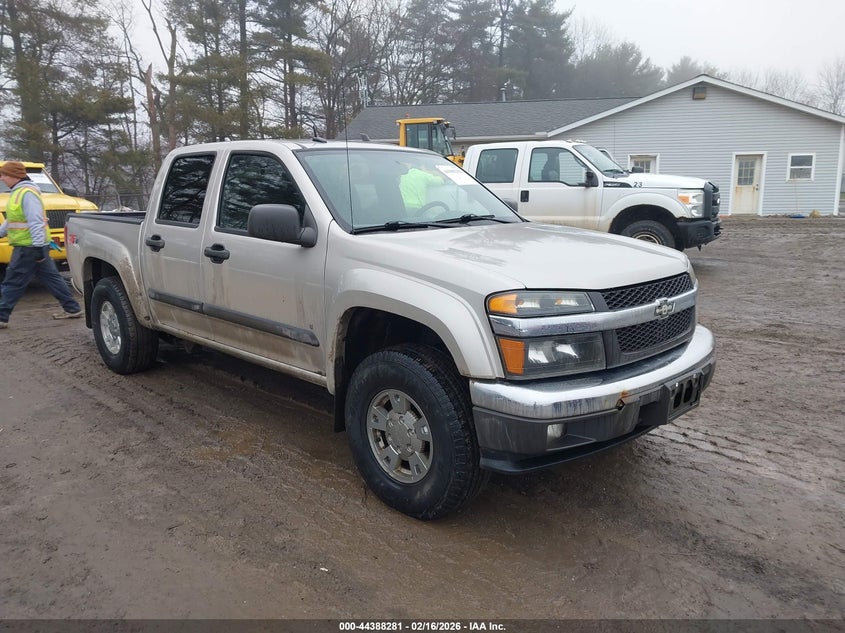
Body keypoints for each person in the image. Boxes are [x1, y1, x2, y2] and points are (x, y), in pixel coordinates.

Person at [0, 161, 82, 328]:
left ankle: (1, 316)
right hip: (34, 246)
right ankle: (72, 309)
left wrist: (37, 247)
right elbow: (12, 220)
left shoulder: (27, 193)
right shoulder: (19, 192)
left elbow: (36, 222)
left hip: (28, 246)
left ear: (14, 176)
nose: (2, 178)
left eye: (4, 175)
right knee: (52, 278)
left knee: (13, 281)